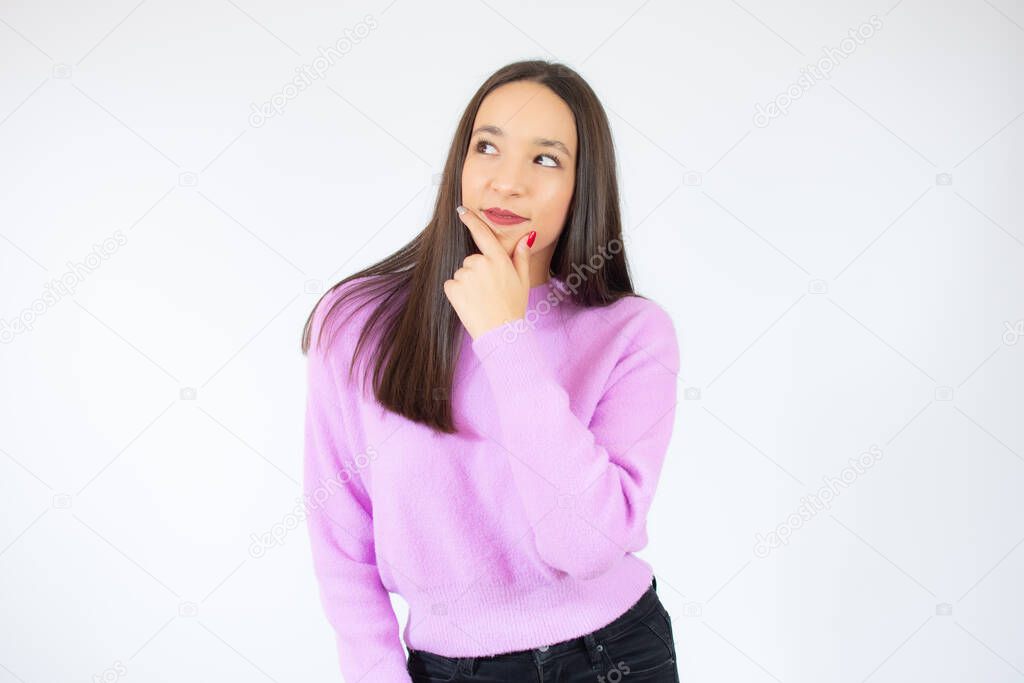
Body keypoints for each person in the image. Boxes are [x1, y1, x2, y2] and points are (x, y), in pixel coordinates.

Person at [301, 59, 680, 682]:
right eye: (488, 147)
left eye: (546, 159)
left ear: (584, 186)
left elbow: (584, 546)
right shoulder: (356, 321)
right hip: (445, 667)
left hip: (610, 655)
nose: (507, 182)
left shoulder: (634, 334)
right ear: (460, 164)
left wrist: (507, 339)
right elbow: (340, 534)